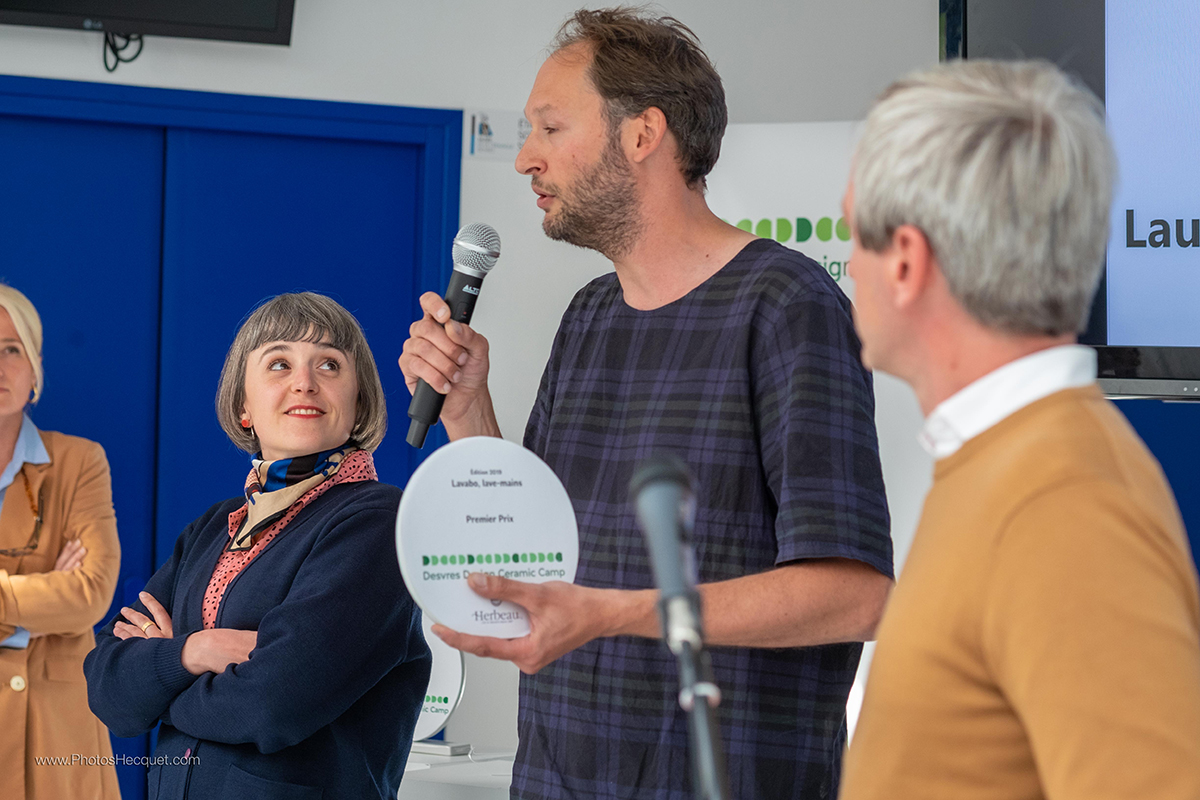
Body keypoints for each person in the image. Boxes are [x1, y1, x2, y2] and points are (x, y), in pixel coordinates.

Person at [399, 9, 893, 799]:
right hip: (557, 778)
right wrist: (467, 410)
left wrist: (613, 612)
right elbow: (542, 557)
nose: (526, 158)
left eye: (551, 128)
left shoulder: (787, 304)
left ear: (642, 135)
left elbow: (855, 595)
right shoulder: (590, 313)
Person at [838, 60, 1200, 799]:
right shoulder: (1011, 463)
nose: (846, 266)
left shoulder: (1063, 506)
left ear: (905, 262)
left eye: (853, 237)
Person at [84, 292, 430, 800]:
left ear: (358, 402)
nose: (304, 382)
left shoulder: (378, 522)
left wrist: (162, 678)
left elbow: (276, 701)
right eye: (279, 363)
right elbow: (108, 689)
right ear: (244, 405)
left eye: (329, 365)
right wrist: (197, 651)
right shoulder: (214, 526)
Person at [0, 284, 121, 800]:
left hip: (56, 727)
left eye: (11, 348)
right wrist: (43, 593)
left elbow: (91, 592)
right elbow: (67, 596)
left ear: (35, 368)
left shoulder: (80, 462)